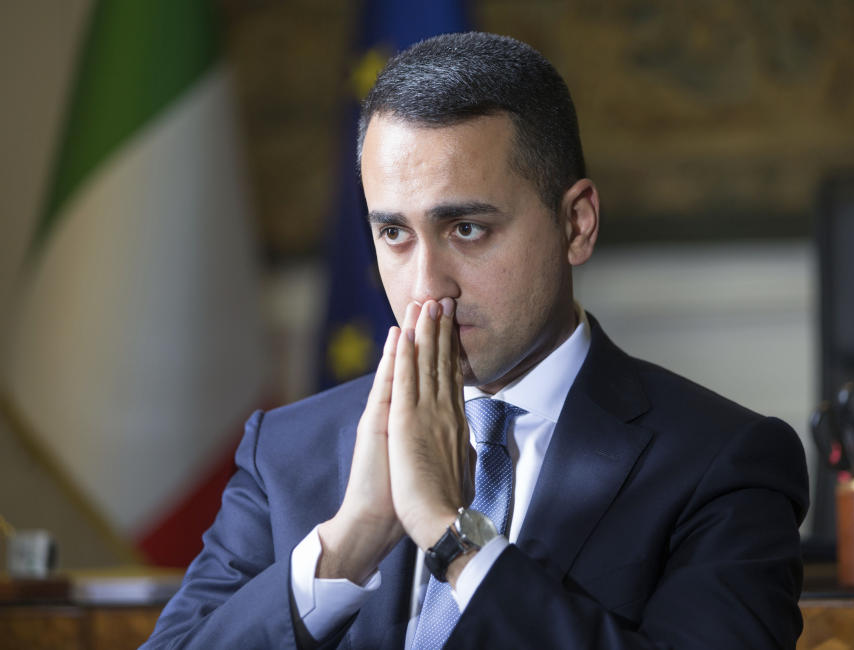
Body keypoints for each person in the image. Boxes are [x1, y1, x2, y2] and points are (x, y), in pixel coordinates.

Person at [144, 32, 808, 649]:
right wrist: (351, 541)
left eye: (467, 229)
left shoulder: (723, 463)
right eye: (394, 235)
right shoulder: (286, 454)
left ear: (576, 223)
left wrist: (451, 536)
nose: (427, 287)